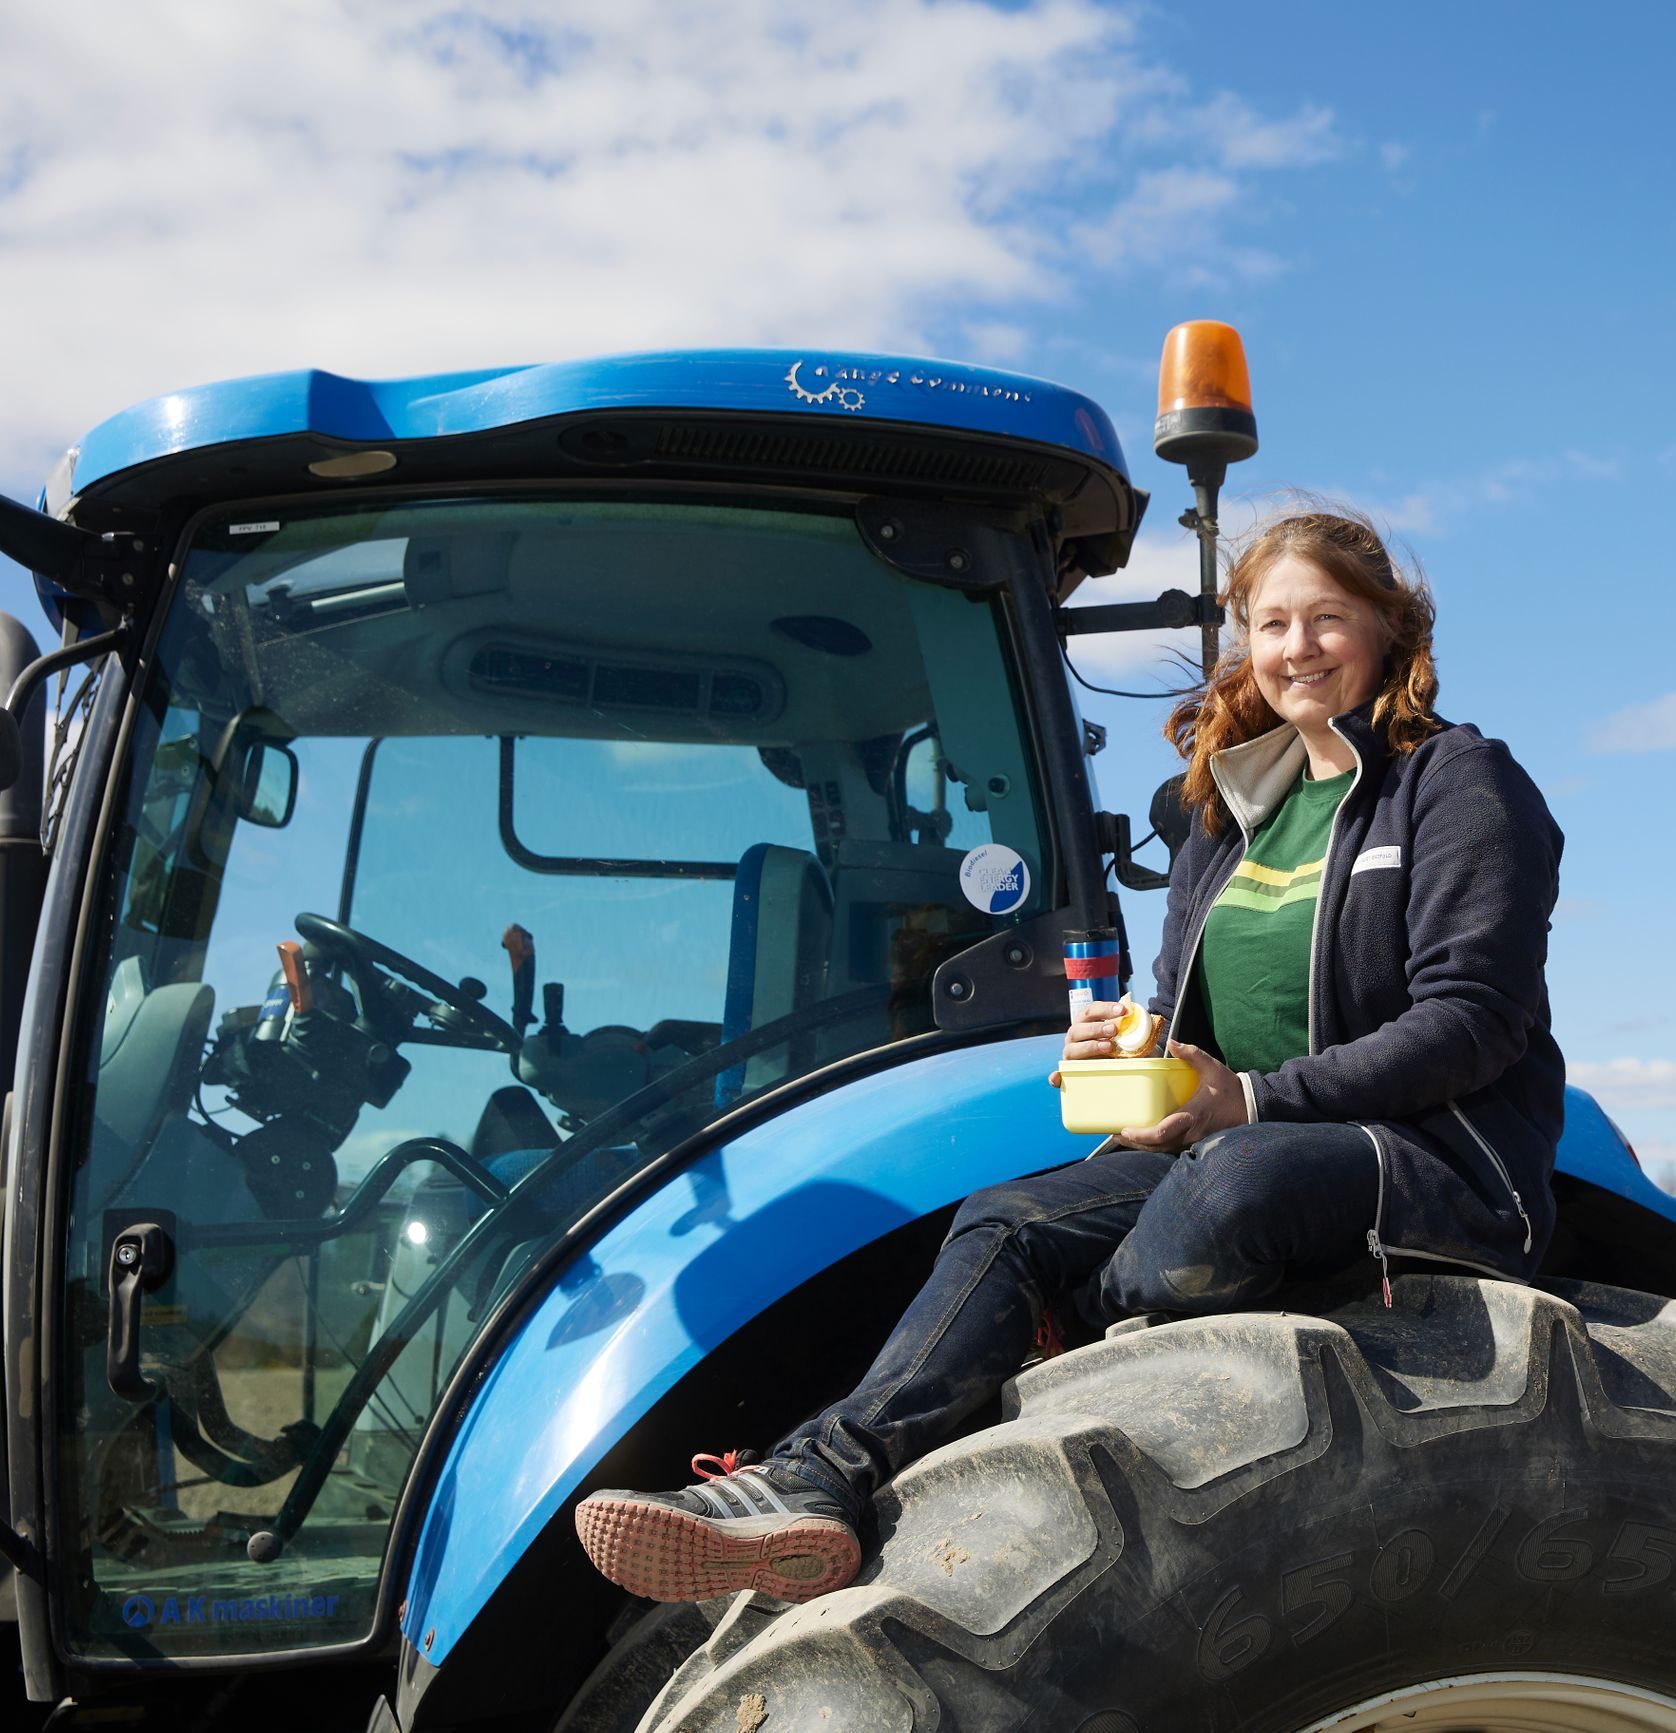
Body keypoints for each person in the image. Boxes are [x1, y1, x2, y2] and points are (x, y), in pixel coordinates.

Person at [574, 506, 1565, 1605]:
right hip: (1250, 1139)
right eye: (1272, 621)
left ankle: (1069, 1318)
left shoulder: (1455, 782)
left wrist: (1249, 1097)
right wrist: (1130, 1048)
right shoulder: (1226, 817)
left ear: (1386, 626)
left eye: (1326, 618)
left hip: (1423, 1154)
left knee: (1234, 1177)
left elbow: (1473, 1019)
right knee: (1001, 1218)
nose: (1297, 647)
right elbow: (1190, 1020)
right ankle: (817, 1478)